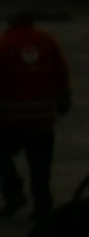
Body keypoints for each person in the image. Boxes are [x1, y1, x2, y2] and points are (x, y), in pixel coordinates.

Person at [0, 13, 69, 218]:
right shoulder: (47, 42)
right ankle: (42, 204)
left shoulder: (4, 45)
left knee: (2, 156)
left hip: (11, 120)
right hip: (43, 120)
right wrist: (62, 102)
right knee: (40, 164)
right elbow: (61, 74)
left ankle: (12, 191)